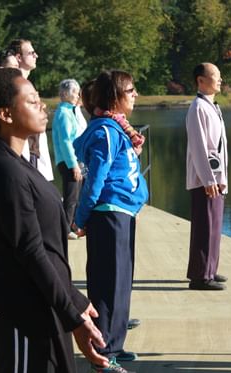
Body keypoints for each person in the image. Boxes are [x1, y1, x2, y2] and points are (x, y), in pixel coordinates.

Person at [0, 67, 108, 373]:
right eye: (32, 101)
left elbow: (45, 245)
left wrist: (74, 299)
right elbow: (30, 251)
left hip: (38, 300)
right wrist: (73, 317)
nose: (42, 105)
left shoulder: (17, 161)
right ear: (5, 114)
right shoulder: (2, 170)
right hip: (16, 309)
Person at [73, 70, 149, 373]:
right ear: (114, 97)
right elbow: (95, 181)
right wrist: (81, 217)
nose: (135, 95)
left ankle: (115, 344)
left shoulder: (118, 129)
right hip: (109, 213)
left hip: (123, 212)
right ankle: (103, 355)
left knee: (121, 283)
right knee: (107, 285)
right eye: (130, 90)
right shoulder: (105, 131)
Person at [186, 62, 229, 291]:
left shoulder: (212, 106)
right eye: (215, 76)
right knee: (205, 226)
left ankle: (210, 268)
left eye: (220, 76)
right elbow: (198, 147)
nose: (220, 80)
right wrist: (208, 179)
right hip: (206, 180)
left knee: (215, 224)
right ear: (200, 80)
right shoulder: (197, 108)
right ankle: (200, 277)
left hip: (216, 177)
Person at [9, 39, 54, 181]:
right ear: (18, 57)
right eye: (31, 53)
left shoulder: (28, 84)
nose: (36, 56)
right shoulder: (15, 87)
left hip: (35, 151)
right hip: (26, 153)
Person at [52, 79, 84, 240]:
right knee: (71, 197)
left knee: (78, 195)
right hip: (68, 161)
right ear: (64, 93)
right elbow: (65, 141)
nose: (77, 94)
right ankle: (64, 229)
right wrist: (74, 165)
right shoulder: (63, 113)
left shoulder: (72, 110)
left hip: (77, 160)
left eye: (78, 91)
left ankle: (74, 224)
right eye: (74, 91)